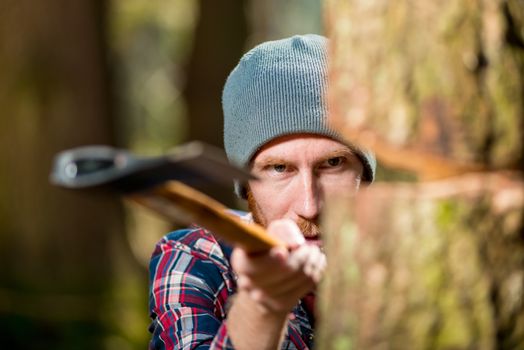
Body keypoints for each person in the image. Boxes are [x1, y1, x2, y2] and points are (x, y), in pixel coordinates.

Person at [148, 34, 376, 350]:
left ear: (364, 174)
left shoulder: (410, 262)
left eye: (333, 163)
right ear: (246, 184)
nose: (309, 206)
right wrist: (263, 305)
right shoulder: (198, 258)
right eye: (279, 168)